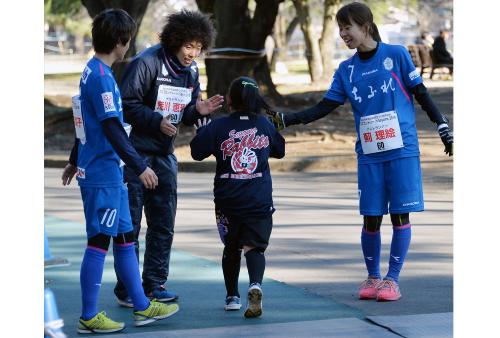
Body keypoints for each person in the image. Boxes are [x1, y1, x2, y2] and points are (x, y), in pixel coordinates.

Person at [267, 2, 453, 302]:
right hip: (369, 152)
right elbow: (324, 107)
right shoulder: (346, 70)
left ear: (365, 26)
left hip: (402, 148)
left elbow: (421, 94)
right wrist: (287, 119)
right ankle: (372, 277)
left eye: (347, 27)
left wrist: (442, 126)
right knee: (371, 217)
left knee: (400, 216)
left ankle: (392, 280)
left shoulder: (397, 55)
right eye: (340, 28)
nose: (342, 34)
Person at [60, 9, 179, 333]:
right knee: (98, 241)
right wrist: (140, 166)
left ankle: (142, 305)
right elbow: (112, 127)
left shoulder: (94, 70)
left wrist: (73, 157)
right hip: (102, 173)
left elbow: (84, 121)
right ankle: (88, 316)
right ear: (121, 41)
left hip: (110, 172)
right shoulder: (100, 77)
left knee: (126, 237)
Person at [113, 9, 224, 307]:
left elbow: (184, 113)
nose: (193, 53)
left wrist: (196, 112)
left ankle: (154, 283)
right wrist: (155, 120)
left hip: (165, 155)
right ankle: (127, 288)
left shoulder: (192, 72)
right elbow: (126, 104)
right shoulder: (147, 62)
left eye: (199, 48)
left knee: (163, 223)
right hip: (135, 154)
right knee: (131, 224)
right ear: (175, 40)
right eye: (189, 46)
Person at [190, 76, 285, 317]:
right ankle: (255, 284)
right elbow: (280, 151)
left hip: (227, 200)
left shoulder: (218, 126)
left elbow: (197, 153)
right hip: (259, 199)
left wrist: (201, 132)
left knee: (231, 247)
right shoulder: (264, 125)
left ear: (230, 99)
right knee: (255, 248)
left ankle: (232, 296)